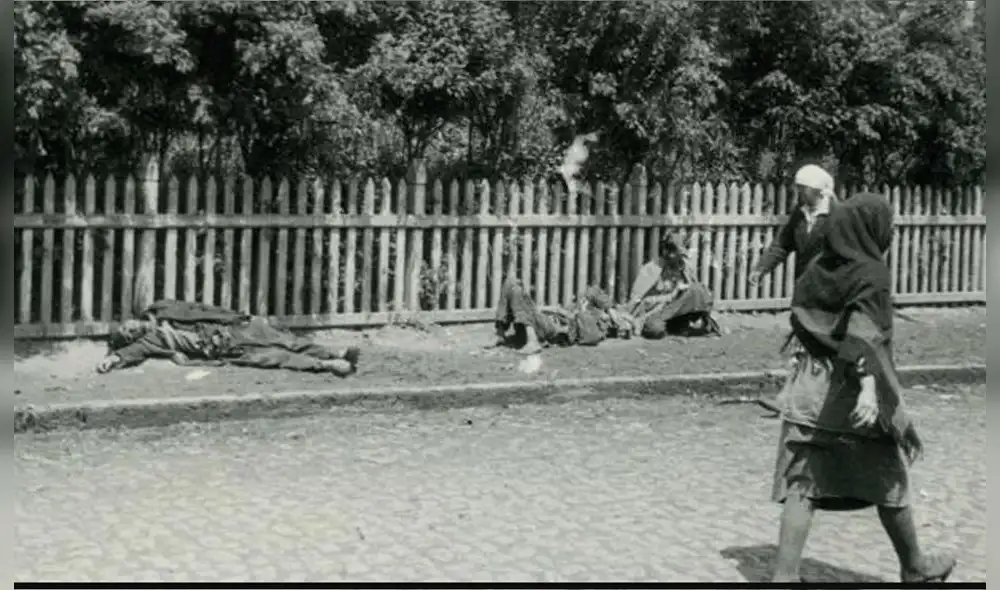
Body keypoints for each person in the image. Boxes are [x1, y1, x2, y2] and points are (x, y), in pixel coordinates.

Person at [769, 192, 954, 583]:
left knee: (803, 481)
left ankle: (783, 577)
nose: (892, 231)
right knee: (888, 476)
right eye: (888, 224)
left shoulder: (818, 267)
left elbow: (804, 318)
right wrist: (869, 389)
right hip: (849, 392)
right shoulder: (871, 273)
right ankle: (915, 567)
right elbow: (861, 333)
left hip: (807, 387)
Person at [98, 300, 361, 376]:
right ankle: (327, 365)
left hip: (234, 327)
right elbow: (130, 354)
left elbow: (202, 309)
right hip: (226, 348)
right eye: (128, 334)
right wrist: (113, 359)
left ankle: (334, 353)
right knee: (276, 356)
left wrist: (235, 316)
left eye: (128, 326)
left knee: (287, 340)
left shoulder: (163, 308)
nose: (132, 329)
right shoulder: (152, 340)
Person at [749, 164, 840, 287]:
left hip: (830, 286)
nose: (799, 192)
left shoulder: (837, 215)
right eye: (798, 187)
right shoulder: (799, 214)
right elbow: (782, 244)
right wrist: (761, 268)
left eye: (803, 188)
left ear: (818, 189)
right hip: (803, 284)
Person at [493, 278, 633, 354]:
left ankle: (532, 341)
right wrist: (610, 309)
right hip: (539, 322)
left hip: (550, 330)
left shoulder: (597, 324)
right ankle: (500, 333)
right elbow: (592, 292)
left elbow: (587, 336)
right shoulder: (588, 306)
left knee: (515, 289)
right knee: (510, 282)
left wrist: (581, 314)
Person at [624, 233, 720, 338]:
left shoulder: (684, 267)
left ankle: (704, 324)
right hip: (656, 312)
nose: (677, 258)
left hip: (677, 311)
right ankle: (672, 327)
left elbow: (697, 294)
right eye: (674, 253)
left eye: (680, 255)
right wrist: (672, 295)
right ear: (666, 251)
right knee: (654, 329)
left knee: (697, 289)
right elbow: (640, 301)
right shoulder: (651, 269)